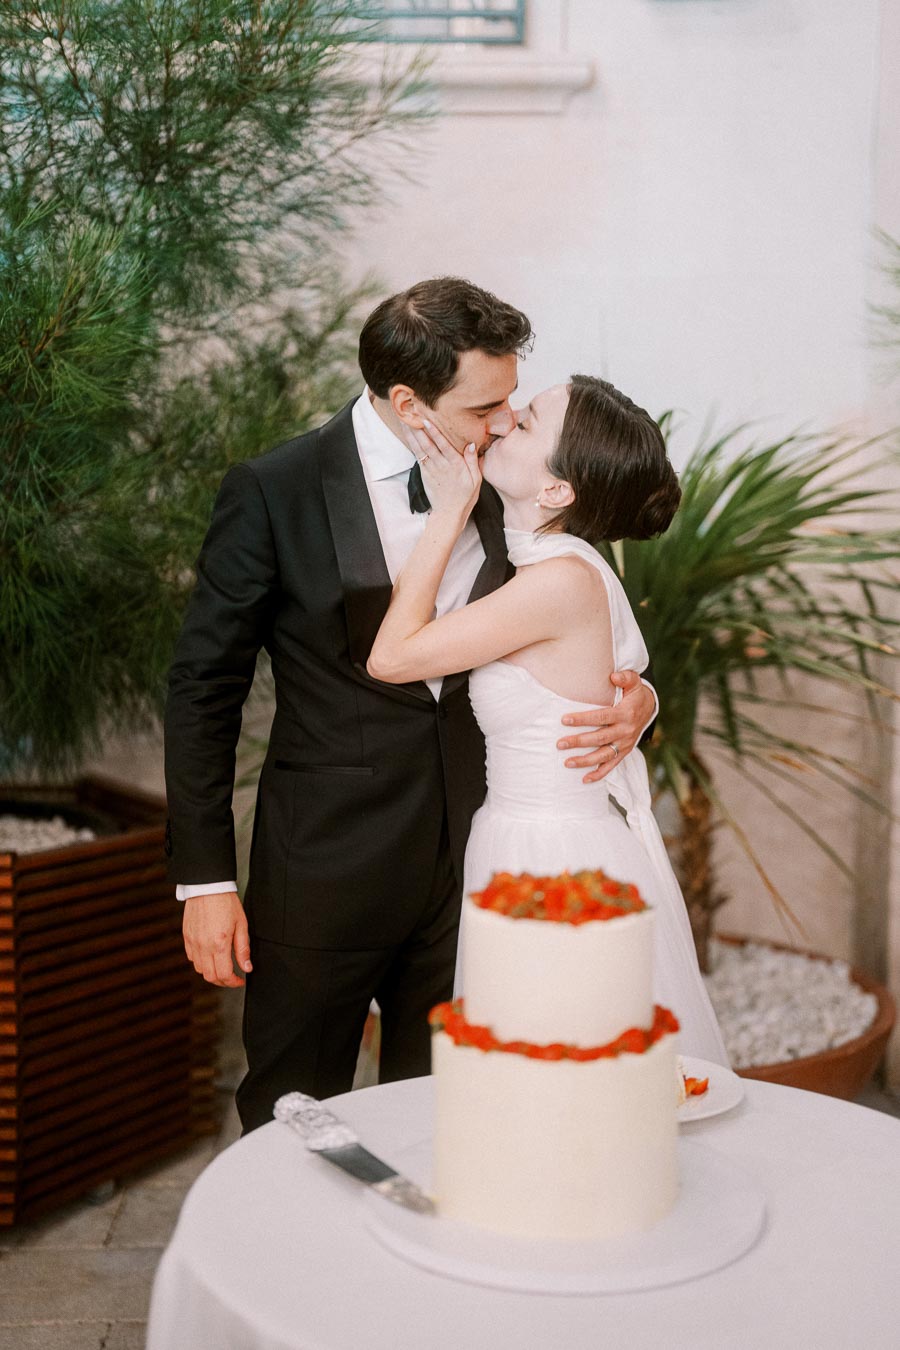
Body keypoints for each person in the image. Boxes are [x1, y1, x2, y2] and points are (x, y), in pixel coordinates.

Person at [164, 279, 659, 1133]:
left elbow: (584, 616)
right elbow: (204, 688)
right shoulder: (276, 489)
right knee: (292, 1114)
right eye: (486, 405)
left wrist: (638, 697)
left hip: (481, 861)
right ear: (407, 401)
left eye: (514, 402)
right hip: (325, 867)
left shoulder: (523, 485)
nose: (506, 422)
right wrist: (204, 880)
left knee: (453, 1121)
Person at [367, 375, 729, 1064]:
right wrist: (640, 698)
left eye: (527, 423)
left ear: (558, 491)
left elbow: (392, 658)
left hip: (551, 859)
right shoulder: (552, 563)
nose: (502, 423)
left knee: (563, 1065)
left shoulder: (558, 580)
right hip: (520, 837)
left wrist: (448, 511)